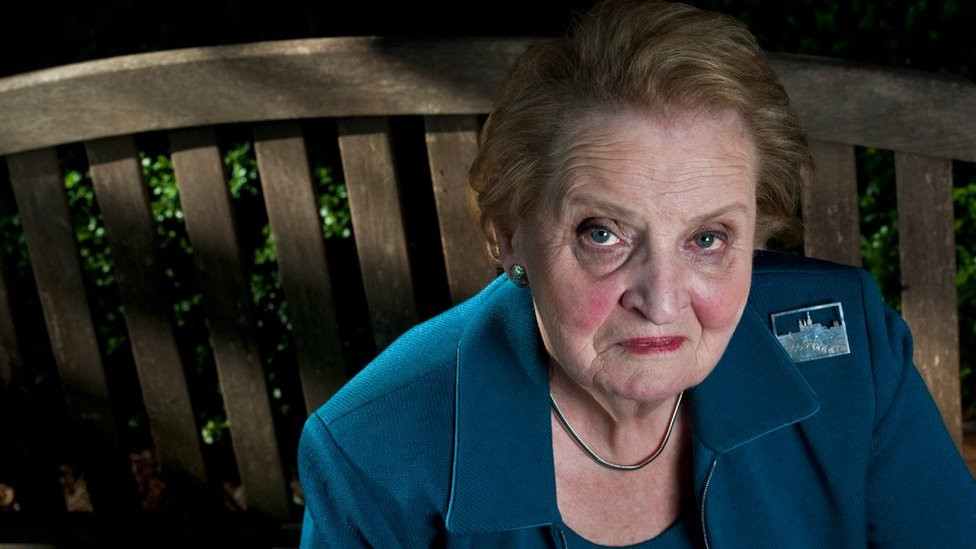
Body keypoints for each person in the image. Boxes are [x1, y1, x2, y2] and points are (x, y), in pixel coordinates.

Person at [298, 0, 976, 546]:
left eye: (707, 238)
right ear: (510, 236)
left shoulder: (850, 350)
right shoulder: (373, 450)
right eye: (603, 234)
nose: (662, 299)